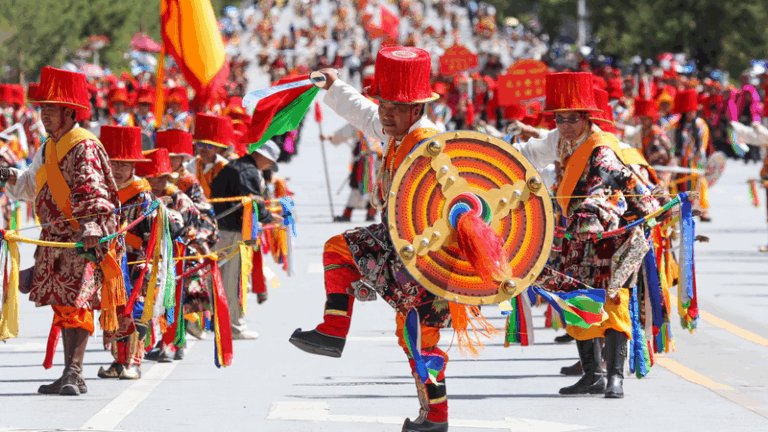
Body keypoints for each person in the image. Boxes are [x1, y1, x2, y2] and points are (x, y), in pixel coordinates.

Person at [289, 47, 453, 432]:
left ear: (416, 109)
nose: (385, 113)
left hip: (427, 258)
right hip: (402, 249)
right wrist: (335, 85)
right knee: (412, 335)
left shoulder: (431, 146)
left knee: (420, 338)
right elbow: (365, 115)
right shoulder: (399, 129)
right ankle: (333, 331)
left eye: (395, 107)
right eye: (384, 104)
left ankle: (436, 418)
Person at [515, 72, 660, 399]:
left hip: (614, 235)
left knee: (613, 301)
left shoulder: (603, 150)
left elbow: (603, 192)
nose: (564, 125)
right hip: (580, 234)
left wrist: (587, 216)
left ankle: (615, 377)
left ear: (586, 117)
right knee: (576, 298)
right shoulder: (560, 140)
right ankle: (592, 374)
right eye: (558, 118)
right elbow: (528, 153)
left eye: (571, 118)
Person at [5, 66, 122, 396]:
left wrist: (91, 226)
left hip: (82, 238)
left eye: (51, 109)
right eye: (42, 108)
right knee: (64, 304)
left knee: (77, 303)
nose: (44, 115)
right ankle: (70, 373)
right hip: (53, 239)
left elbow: (94, 190)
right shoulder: (47, 147)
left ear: (70, 112)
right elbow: (30, 185)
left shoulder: (84, 146)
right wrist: (7, 175)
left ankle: (74, 372)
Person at [137, 148, 210, 360]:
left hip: (177, 258)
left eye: (160, 179)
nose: (155, 183)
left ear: (168, 178)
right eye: (151, 179)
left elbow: (196, 224)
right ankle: (159, 343)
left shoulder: (179, 198)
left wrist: (195, 242)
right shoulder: (145, 196)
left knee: (174, 301)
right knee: (154, 301)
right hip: (152, 258)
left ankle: (173, 344)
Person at [97, 125, 156, 380]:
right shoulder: (103, 191)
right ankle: (118, 360)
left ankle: (135, 360)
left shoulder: (143, 194)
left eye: (124, 163)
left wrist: (146, 261)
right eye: (113, 163)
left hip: (136, 260)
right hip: (112, 261)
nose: (118, 169)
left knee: (137, 307)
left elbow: (151, 234)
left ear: (134, 165)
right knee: (116, 307)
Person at [209, 140, 283, 340]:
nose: (268, 167)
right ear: (262, 157)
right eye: (268, 162)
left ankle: (217, 322)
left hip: (220, 229)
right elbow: (253, 204)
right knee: (233, 280)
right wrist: (270, 217)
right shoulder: (248, 172)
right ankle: (235, 327)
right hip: (233, 232)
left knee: (219, 278)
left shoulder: (234, 167)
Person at [324, 123, 382, 223]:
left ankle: (353, 213)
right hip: (367, 161)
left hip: (375, 161)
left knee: (366, 186)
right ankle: (370, 212)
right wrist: (330, 137)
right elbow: (343, 133)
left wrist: (331, 137)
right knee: (365, 185)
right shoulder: (361, 121)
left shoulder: (365, 120)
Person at [667, 89, 711, 222]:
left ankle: (702, 210)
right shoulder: (675, 124)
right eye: (689, 111)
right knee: (678, 185)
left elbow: (703, 144)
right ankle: (678, 210)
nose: (692, 114)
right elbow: (670, 140)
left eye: (693, 111)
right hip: (680, 161)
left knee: (699, 185)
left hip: (695, 162)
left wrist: (701, 162)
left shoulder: (700, 124)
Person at [185, 113, 232, 197]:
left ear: (218, 148)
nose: (204, 149)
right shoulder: (191, 165)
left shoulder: (224, 167)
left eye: (209, 146)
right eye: (200, 145)